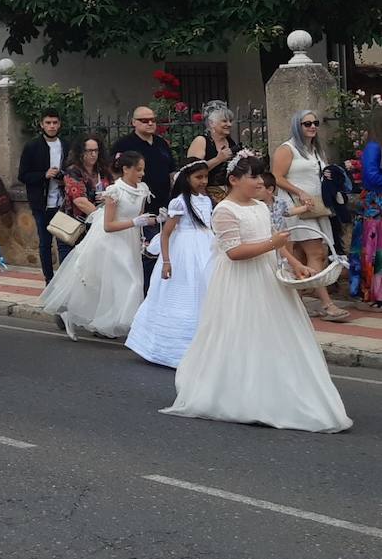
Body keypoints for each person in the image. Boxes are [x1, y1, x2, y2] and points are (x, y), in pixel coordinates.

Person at [163, 154, 351, 432]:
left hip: (267, 276)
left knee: (277, 334)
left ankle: (279, 392)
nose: (259, 182)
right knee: (241, 333)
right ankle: (239, 394)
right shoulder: (224, 210)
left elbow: (277, 241)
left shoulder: (261, 206)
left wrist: (297, 264)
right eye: (253, 176)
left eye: (260, 176)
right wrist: (271, 244)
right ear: (234, 180)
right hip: (240, 280)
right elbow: (234, 252)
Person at [41, 151, 153, 340]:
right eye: (138, 169)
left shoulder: (142, 189)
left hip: (130, 240)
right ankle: (92, 318)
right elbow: (108, 226)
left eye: (143, 169)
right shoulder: (114, 191)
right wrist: (136, 222)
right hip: (109, 240)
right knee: (129, 282)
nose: (142, 173)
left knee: (116, 284)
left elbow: (138, 216)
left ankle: (108, 322)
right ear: (126, 169)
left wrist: (142, 234)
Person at [126, 160, 216, 367]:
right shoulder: (180, 202)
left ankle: (202, 347)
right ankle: (171, 349)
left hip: (206, 248)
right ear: (187, 179)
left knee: (205, 291)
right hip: (183, 252)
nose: (203, 181)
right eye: (198, 177)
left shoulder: (206, 200)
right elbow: (166, 234)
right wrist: (166, 261)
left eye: (205, 177)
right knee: (183, 293)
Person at [270, 110, 349, 322]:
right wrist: (299, 192)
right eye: (307, 124)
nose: (312, 126)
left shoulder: (315, 150)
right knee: (316, 252)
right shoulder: (288, 149)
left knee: (304, 256)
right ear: (298, 125)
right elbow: (276, 177)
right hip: (296, 207)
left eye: (315, 123)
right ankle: (326, 304)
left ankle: (295, 304)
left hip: (315, 206)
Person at [113, 106, 175, 293]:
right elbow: (115, 173)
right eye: (144, 120)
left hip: (162, 205)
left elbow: (171, 171)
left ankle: (158, 292)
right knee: (148, 253)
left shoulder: (161, 143)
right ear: (134, 122)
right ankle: (145, 292)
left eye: (153, 120)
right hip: (136, 209)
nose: (150, 123)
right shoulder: (123, 145)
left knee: (163, 250)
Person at [18, 109, 71, 283]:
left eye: (55, 122)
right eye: (48, 123)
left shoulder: (65, 145)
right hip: (41, 203)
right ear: (42, 124)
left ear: (59, 124)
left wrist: (63, 177)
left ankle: (65, 279)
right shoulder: (32, 146)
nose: (52, 126)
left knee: (65, 241)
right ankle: (49, 279)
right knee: (45, 242)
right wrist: (44, 175)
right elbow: (23, 175)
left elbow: (72, 171)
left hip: (62, 202)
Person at [348, 106, 382, 306]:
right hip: (375, 207)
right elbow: (371, 178)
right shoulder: (373, 147)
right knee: (376, 250)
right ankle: (376, 293)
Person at [186, 102, 239, 199]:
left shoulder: (231, 142)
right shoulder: (201, 141)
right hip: (204, 194)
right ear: (211, 123)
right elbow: (191, 171)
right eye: (224, 121)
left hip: (229, 194)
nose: (229, 124)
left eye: (230, 121)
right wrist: (218, 159)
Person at [62, 134, 112, 222]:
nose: (93, 154)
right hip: (80, 224)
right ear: (81, 152)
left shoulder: (103, 169)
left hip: (104, 219)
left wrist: (107, 197)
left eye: (96, 150)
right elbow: (80, 202)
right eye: (89, 151)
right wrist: (101, 218)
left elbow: (114, 191)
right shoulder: (73, 171)